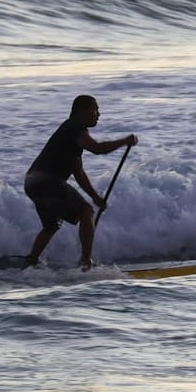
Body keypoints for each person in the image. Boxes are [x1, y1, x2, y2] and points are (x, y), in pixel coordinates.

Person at [24, 95, 137, 270]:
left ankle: (30, 261)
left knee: (52, 225)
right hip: (47, 182)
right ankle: (86, 262)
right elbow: (97, 149)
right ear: (82, 111)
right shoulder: (75, 128)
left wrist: (95, 196)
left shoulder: (68, 131)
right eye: (95, 109)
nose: (98, 114)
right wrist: (124, 141)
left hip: (32, 183)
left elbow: (78, 171)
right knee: (86, 212)